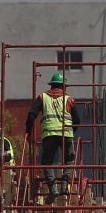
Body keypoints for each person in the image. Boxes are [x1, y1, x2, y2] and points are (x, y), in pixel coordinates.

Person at [24, 70, 76, 199]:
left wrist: (28, 131)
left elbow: (31, 115)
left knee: (47, 162)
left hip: (49, 134)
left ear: (51, 85)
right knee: (69, 160)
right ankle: (65, 185)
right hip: (66, 134)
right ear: (63, 86)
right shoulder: (68, 99)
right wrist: (71, 132)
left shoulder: (43, 98)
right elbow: (78, 120)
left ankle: (53, 189)